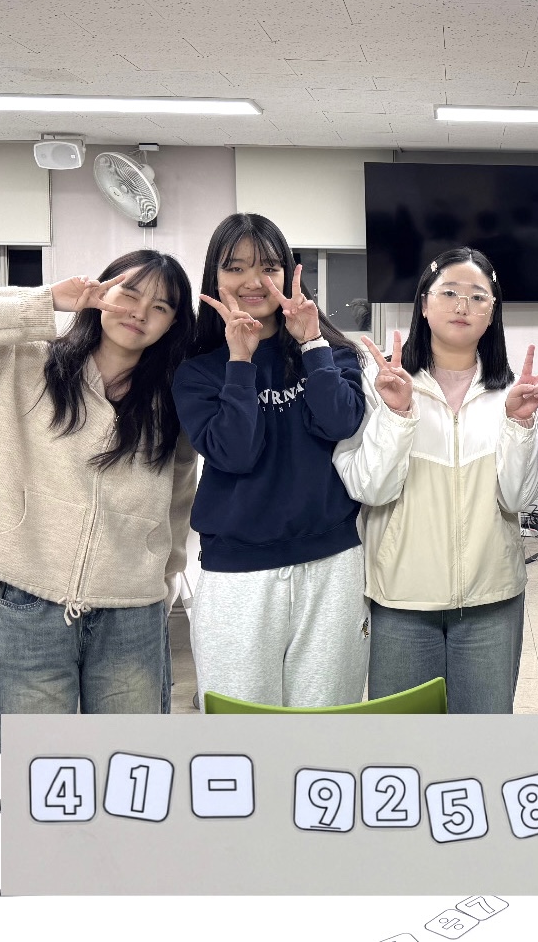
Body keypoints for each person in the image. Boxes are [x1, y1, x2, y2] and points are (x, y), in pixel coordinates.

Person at [0, 251, 196, 753]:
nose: (140, 312)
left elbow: (178, 497)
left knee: (131, 770)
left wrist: (166, 579)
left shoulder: (173, 401)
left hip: (132, 611)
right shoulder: (18, 364)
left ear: (173, 324)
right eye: (129, 293)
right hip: (29, 602)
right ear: (100, 293)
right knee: (24, 770)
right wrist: (45, 301)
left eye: (160, 306)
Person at [333, 248, 538, 713]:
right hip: (402, 600)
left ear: (492, 313)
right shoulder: (384, 383)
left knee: (483, 738)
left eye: (478, 296)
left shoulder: (510, 392)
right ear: (424, 304)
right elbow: (369, 488)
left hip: (492, 599)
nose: (462, 306)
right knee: (404, 742)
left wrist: (518, 423)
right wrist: (397, 415)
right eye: (449, 293)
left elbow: (517, 498)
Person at [173, 213, 368, 708]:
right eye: (235, 267)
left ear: (288, 273)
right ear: (214, 278)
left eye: (268, 267)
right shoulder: (198, 372)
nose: (254, 281)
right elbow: (234, 453)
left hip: (331, 562)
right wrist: (240, 362)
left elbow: (340, 423)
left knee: (326, 721)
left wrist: (312, 343)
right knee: (241, 728)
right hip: (238, 571)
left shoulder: (330, 353)